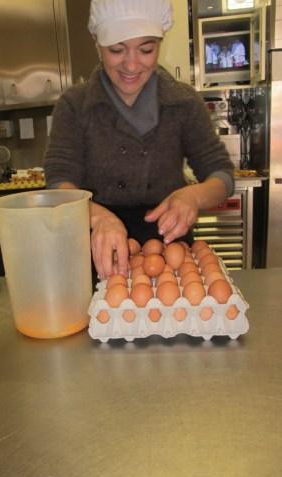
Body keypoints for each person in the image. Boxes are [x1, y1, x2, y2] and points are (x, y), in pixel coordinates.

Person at [44, 0, 234, 280]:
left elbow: (222, 176)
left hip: (169, 245)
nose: (131, 64)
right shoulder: (75, 105)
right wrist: (96, 216)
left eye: (146, 49)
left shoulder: (183, 102)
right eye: (117, 49)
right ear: (96, 41)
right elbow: (58, 181)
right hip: (100, 247)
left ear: (160, 41)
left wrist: (192, 196)